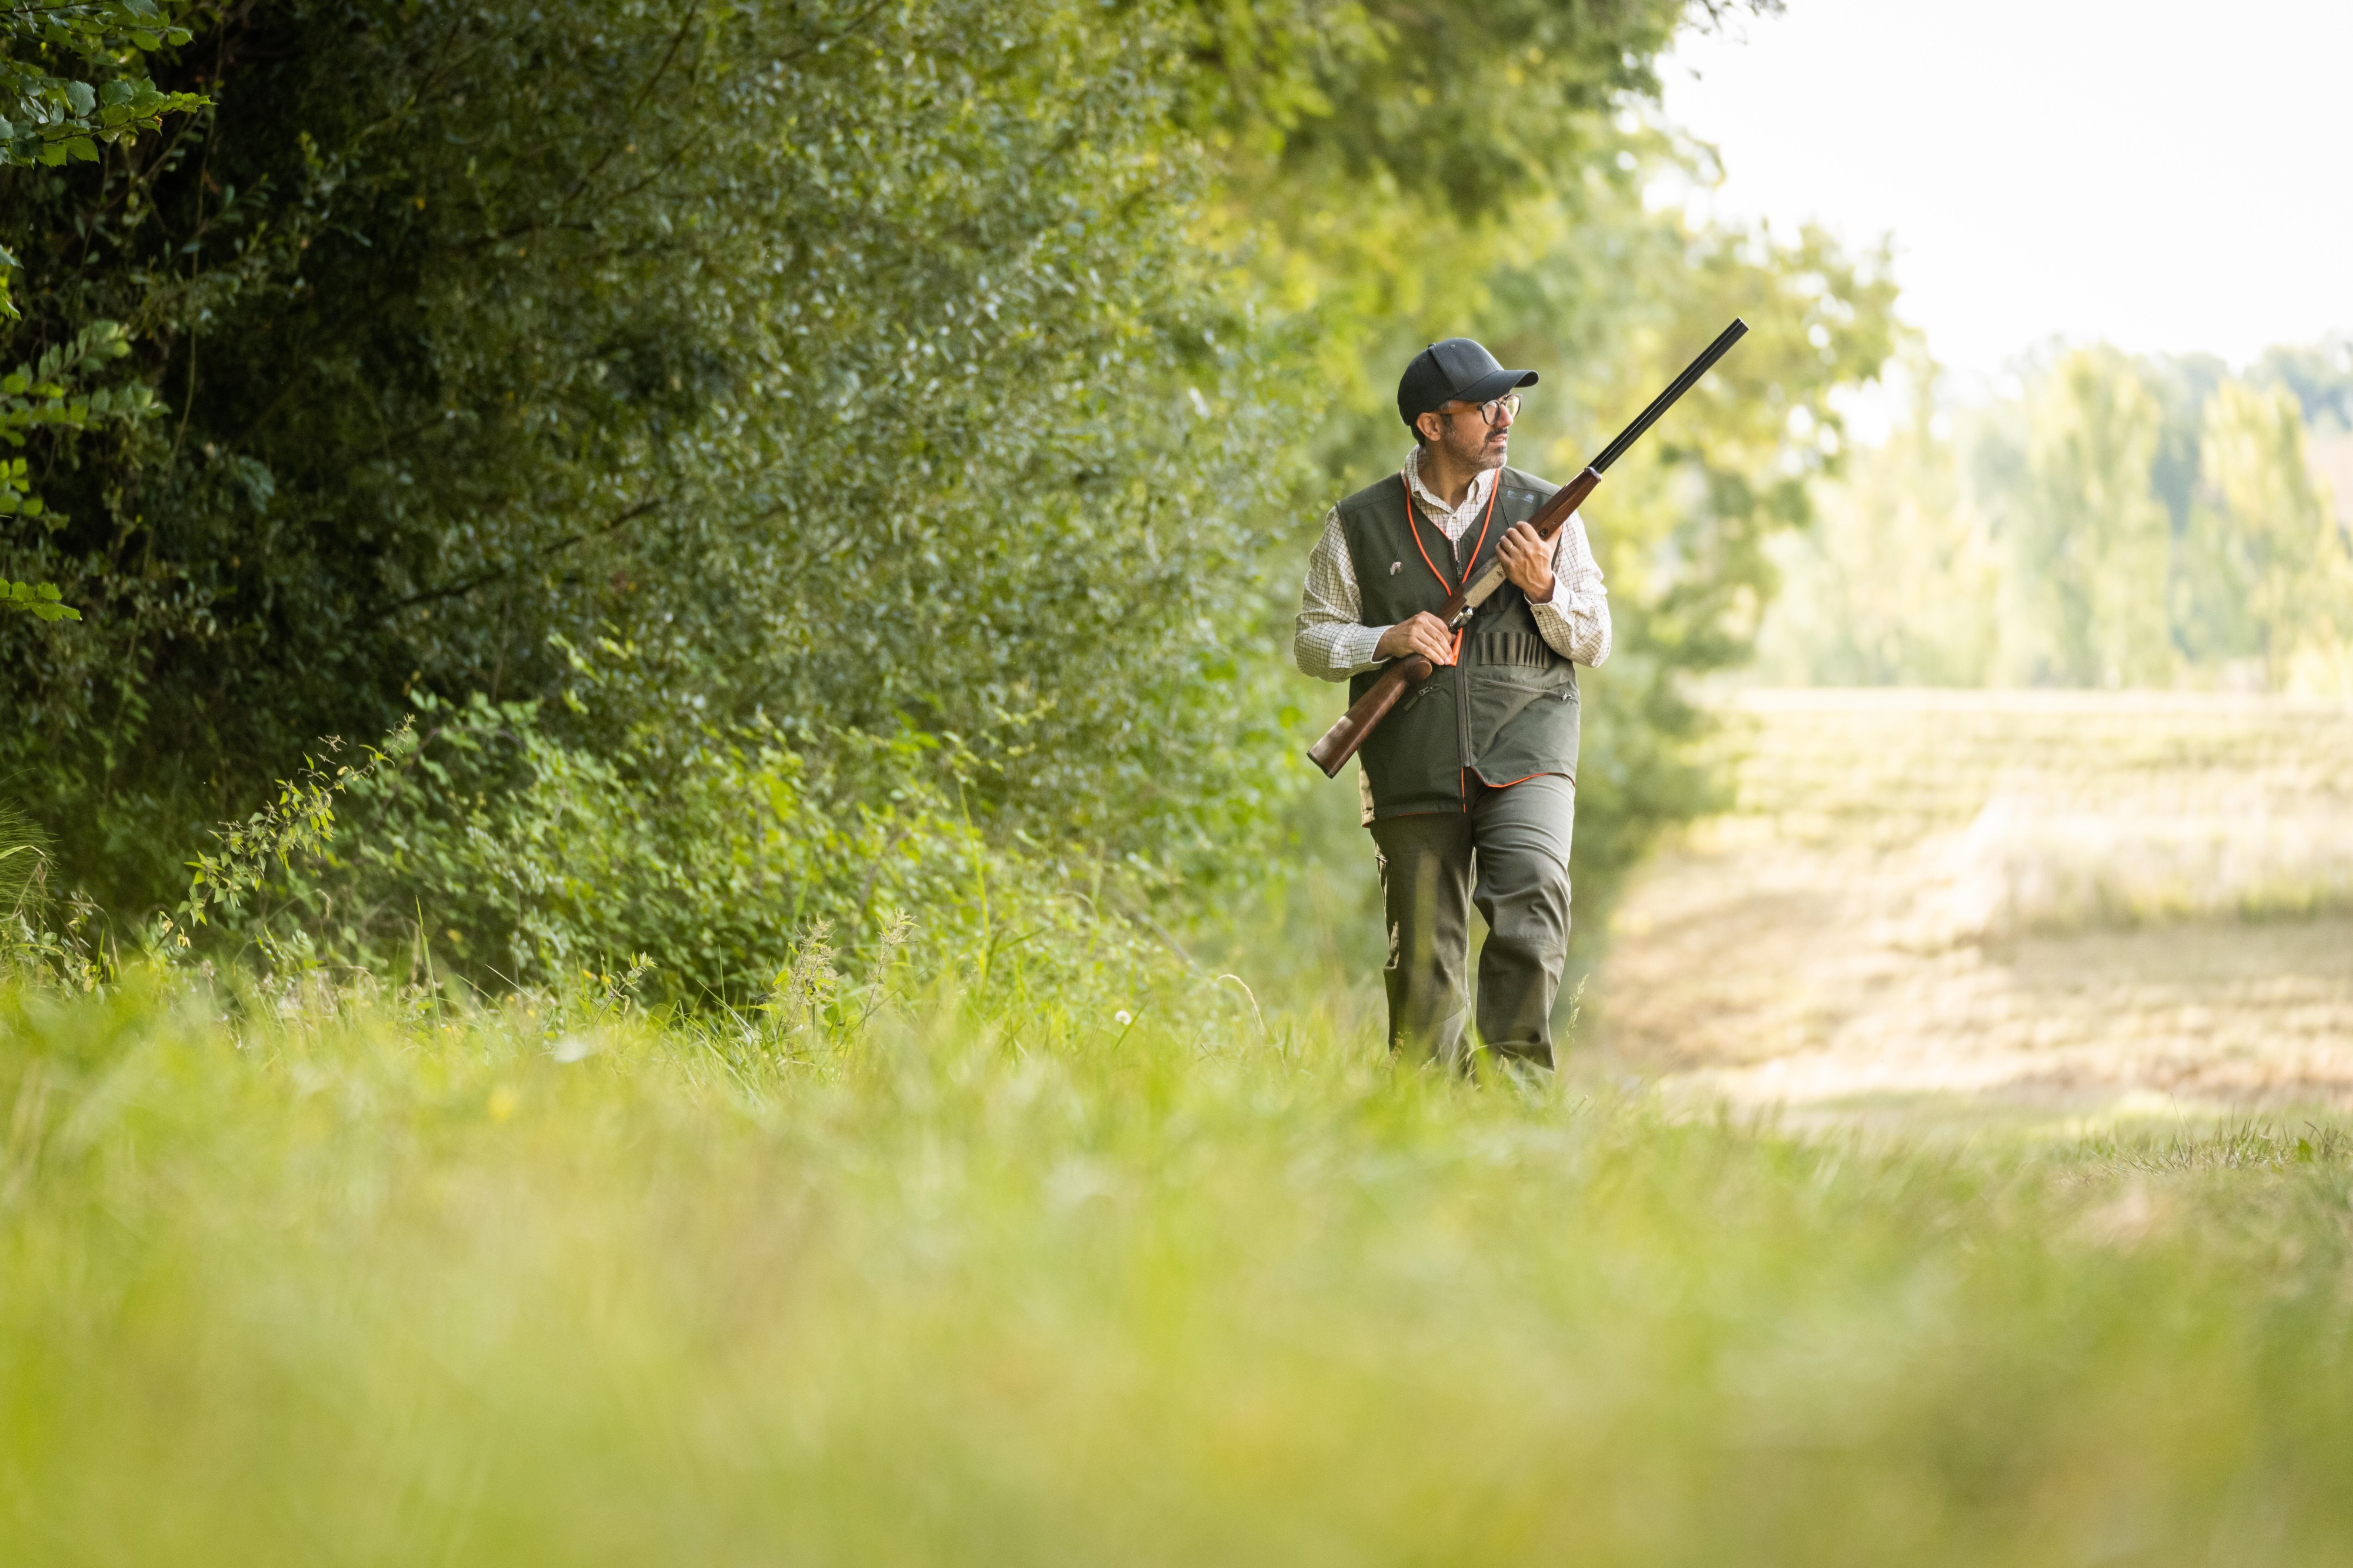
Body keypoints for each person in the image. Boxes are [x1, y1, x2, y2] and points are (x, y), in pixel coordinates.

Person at [1294, 338, 1611, 1070]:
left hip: (1528, 747)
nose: (1504, 418)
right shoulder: (1358, 523)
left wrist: (1543, 588)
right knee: (1423, 966)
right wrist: (1387, 639)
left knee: (1532, 899)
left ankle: (1517, 1101)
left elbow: (1593, 638)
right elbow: (1314, 641)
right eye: (1485, 407)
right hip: (1411, 755)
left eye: (1510, 403)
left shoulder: (1545, 511)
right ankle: (1431, 1118)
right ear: (1431, 425)